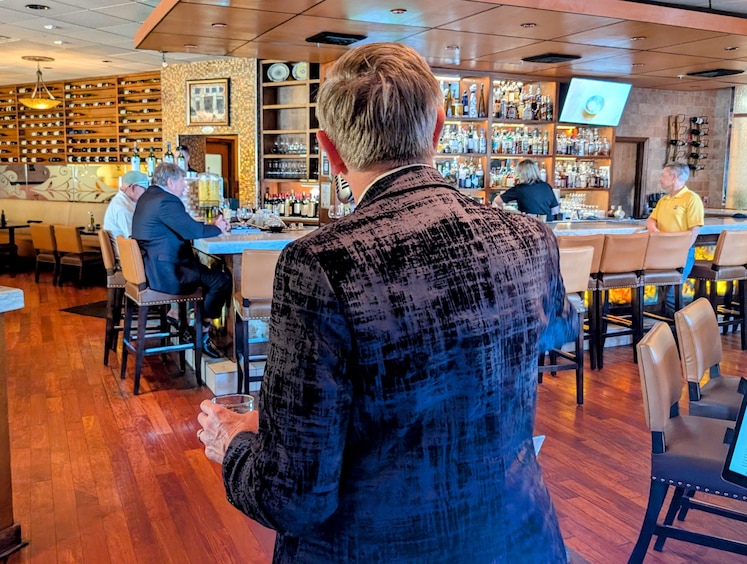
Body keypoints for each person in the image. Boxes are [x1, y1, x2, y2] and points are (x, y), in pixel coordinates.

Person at [197, 42, 576, 562]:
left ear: (330, 149)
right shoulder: (530, 238)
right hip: (520, 539)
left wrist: (236, 444)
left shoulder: (318, 263)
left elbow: (293, 496)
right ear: (438, 127)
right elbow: (558, 330)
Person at [131, 162, 231, 358]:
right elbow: (191, 231)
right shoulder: (166, 200)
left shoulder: (148, 197)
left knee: (207, 273)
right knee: (221, 280)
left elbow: (185, 226)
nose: (185, 187)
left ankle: (183, 318)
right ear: (170, 182)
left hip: (153, 269)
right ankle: (202, 331)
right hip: (169, 274)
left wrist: (209, 226)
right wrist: (218, 228)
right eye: (182, 182)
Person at [646, 162, 705, 315]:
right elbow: (651, 219)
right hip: (662, 253)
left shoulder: (692, 199)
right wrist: (655, 231)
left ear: (674, 177)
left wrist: (681, 251)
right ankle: (673, 326)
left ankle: (683, 327)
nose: (660, 179)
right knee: (664, 293)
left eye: (663, 175)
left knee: (672, 294)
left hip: (681, 254)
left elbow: (694, 229)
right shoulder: (664, 200)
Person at [492, 159, 560, 220]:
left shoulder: (519, 188)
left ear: (521, 174)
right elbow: (555, 210)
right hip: (547, 225)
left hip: (528, 224)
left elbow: (497, 200)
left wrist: (503, 211)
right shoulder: (546, 186)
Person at [103, 170, 148, 257]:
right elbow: (133, 238)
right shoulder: (123, 208)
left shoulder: (123, 202)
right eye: (144, 189)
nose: (146, 193)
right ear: (133, 188)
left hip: (126, 253)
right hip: (127, 257)